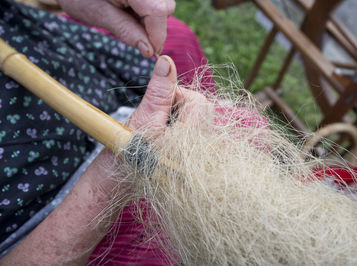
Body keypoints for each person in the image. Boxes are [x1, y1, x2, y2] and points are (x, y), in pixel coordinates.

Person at [0, 0, 210, 264]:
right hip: (49, 212)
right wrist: (108, 186)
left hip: (46, 52)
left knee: (178, 40)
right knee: (160, 226)